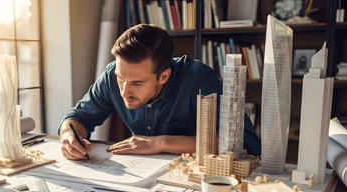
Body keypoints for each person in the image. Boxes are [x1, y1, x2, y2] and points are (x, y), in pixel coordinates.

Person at [59, 24, 260, 160]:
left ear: (163, 76)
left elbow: (243, 143)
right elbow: (77, 118)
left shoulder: (198, 80)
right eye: (121, 79)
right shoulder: (113, 74)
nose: (124, 91)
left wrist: (160, 143)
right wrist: (69, 136)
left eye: (137, 83)